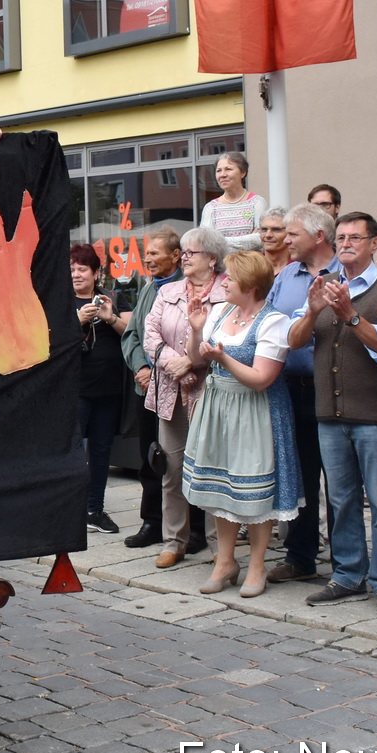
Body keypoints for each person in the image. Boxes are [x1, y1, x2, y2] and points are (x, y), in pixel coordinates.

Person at [288, 212, 377, 619]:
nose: (346, 244)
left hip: (375, 414)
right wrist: (311, 311)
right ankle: (348, 574)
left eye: (355, 237)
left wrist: (350, 316)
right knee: (340, 500)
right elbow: (294, 341)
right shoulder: (325, 284)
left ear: (374, 243)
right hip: (330, 413)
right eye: (341, 237)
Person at [183, 250, 301, 598]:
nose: (224, 282)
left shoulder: (274, 322)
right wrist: (196, 331)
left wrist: (223, 358)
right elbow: (195, 358)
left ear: (250, 285)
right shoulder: (220, 311)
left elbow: (262, 379)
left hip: (255, 410)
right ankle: (225, 562)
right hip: (220, 407)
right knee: (222, 487)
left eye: (230, 278)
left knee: (254, 492)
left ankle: (257, 564)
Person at [143, 227, 229, 567]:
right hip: (171, 391)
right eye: (184, 251)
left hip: (211, 392)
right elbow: (151, 335)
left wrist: (192, 363)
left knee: (213, 469)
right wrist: (173, 364)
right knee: (172, 469)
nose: (185, 257)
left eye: (192, 252)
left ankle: (219, 546)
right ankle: (173, 541)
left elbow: (228, 337)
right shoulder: (169, 291)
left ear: (213, 258)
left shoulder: (227, 291)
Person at [265, 204, 338, 585]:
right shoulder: (286, 276)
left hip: (335, 390)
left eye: (292, 234)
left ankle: (346, 562)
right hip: (292, 390)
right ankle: (300, 556)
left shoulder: (345, 273)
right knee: (301, 477)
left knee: (340, 479)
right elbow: (270, 323)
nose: (286, 240)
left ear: (319, 236)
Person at [120, 225, 184, 550]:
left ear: (176, 256)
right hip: (145, 388)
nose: (147, 259)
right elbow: (131, 334)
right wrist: (141, 367)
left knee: (179, 461)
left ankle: (189, 529)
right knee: (150, 457)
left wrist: (157, 370)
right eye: (146, 253)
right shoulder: (148, 289)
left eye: (154, 253)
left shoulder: (185, 288)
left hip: (176, 388)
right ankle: (152, 522)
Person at [72, 244, 125, 535]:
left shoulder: (112, 298)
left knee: (102, 451)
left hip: (108, 389)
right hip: (74, 389)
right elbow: (46, 338)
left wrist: (110, 317)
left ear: (95, 273)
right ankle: (69, 510)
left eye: (82, 269)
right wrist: (77, 320)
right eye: (71, 269)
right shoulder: (58, 300)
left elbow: (132, 331)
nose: (76, 274)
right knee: (72, 451)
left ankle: (95, 510)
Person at [198, 153, 266, 250]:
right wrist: (248, 239)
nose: (223, 175)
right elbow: (206, 243)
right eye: (218, 170)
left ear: (243, 173)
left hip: (250, 260)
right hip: (222, 260)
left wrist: (220, 242)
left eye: (228, 169)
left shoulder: (256, 203)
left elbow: (261, 238)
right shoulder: (211, 208)